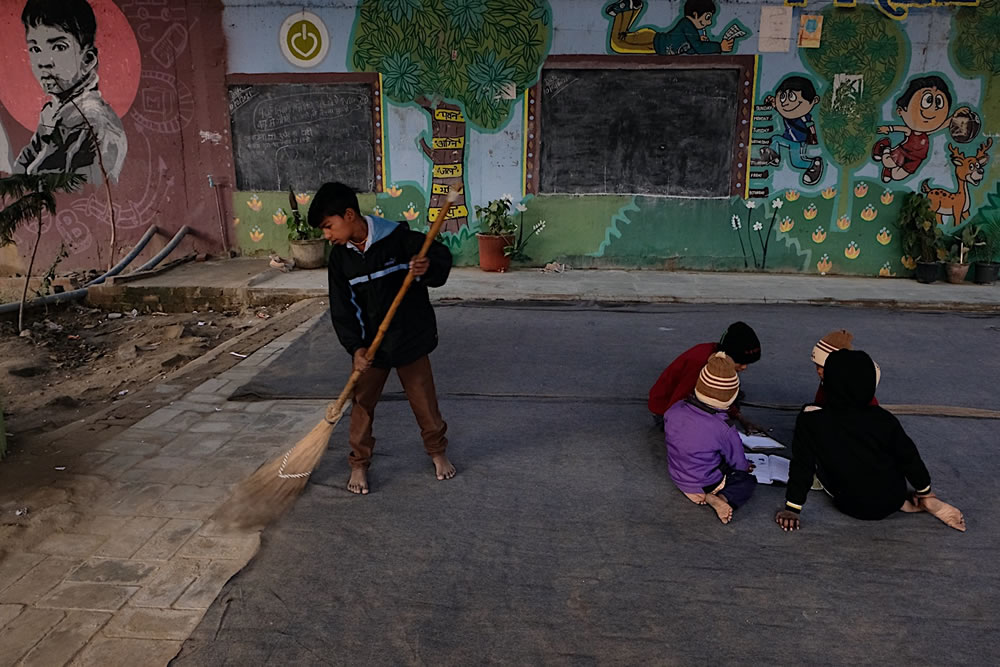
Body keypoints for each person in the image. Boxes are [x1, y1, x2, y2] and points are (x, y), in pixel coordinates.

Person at [309, 182, 455, 495]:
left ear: (349, 215)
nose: (327, 235)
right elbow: (342, 309)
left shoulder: (400, 240)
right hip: (370, 348)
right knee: (361, 405)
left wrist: (426, 268)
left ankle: (437, 452)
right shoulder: (340, 261)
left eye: (328, 226)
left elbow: (441, 258)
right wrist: (356, 348)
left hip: (410, 339)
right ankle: (359, 462)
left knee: (425, 402)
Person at [776, 349, 965, 532]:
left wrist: (792, 508)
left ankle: (904, 501)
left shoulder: (810, 419)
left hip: (851, 504)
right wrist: (925, 490)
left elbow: (803, 465)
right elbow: (910, 458)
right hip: (893, 497)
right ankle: (917, 500)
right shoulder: (884, 419)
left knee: (819, 459)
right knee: (890, 454)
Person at [14, 0, 127, 183]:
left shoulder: (92, 121)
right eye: (35, 48)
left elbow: (83, 197)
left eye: (59, 47)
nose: (43, 61)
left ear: (88, 60)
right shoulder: (53, 113)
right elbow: (17, 178)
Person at [664, 352, 756, 524]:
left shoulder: (674, 409)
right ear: (731, 397)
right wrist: (745, 466)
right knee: (746, 481)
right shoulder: (724, 429)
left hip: (678, 475)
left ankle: (693, 492)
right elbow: (738, 463)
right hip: (707, 482)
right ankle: (719, 497)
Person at [648, 321, 761, 431]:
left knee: (730, 385)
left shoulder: (721, 358)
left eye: (747, 363)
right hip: (665, 411)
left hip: (691, 401)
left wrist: (741, 418)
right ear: (726, 355)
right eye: (740, 362)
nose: (744, 367)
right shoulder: (700, 363)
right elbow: (676, 405)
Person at [872, 76, 969, 184]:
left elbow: (942, 126)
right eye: (928, 101)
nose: (932, 109)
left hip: (916, 159)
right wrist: (889, 128)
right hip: (903, 152)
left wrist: (955, 115)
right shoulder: (911, 132)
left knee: (896, 176)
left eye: (938, 102)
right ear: (901, 111)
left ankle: (888, 171)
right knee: (888, 162)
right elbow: (902, 129)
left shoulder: (926, 133)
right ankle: (884, 147)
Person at [758, 76, 824, 186]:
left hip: (798, 142)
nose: (785, 103)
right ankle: (774, 158)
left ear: (814, 101)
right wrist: (772, 103)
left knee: (796, 162)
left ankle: (814, 164)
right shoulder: (787, 113)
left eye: (792, 97)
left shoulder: (803, 116)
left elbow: (810, 123)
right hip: (787, 139)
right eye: (782, 97)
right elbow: (779, 108)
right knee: (776, 139)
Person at [606, 0, 735, 56]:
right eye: (707, 17)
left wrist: (699, 43)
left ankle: (632, 7)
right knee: (617, 44)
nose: (709, 22)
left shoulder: (691, 30)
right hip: (652, 42)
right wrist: (719, 47)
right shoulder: (686, 24)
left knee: (620, 39)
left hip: (653, 43)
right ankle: (628, 9)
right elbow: (699, 48)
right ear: (695, 15)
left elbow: (688, 49)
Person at [811, 329, 878, 407]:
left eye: (823, 367)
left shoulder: (859, 388)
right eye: (817, 365)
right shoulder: (825, 383)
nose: (818, 371)